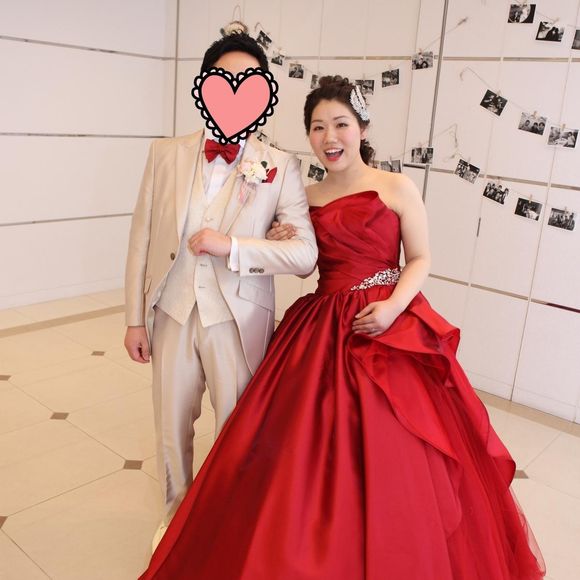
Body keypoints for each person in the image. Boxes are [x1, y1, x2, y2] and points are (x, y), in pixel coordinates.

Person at [138, 76, 545, 579]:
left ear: (362, 128)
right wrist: (280, 238)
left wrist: (393, 307)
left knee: (398, 448)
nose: (329, 137)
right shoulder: (304, 195)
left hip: (385, 320)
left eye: (340, 124)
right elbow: (304, 265)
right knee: (300, 447)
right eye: (317, 127)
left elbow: (420, 258)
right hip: (322, 321)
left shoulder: (396, 186)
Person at [124, 29, 317, 550]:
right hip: (171, 310)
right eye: (224, 78)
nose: (235, 88)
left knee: (236, 431)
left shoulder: (279, 165)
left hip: (240, 316)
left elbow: (304, 256)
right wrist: (134, 319)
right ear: (206, 84)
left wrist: (235, 246)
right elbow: (141, 238)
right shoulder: (165, 154)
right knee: (171, 426)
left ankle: (228, 529)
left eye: (247, 80)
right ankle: (174, 523)